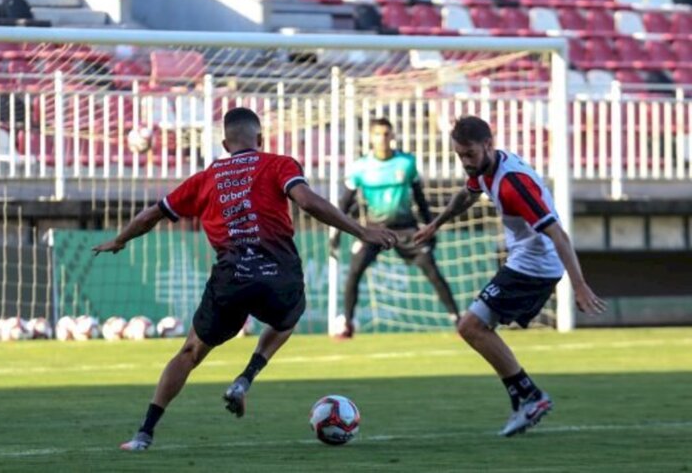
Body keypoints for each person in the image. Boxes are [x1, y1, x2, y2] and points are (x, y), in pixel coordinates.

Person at [93, 107, 397, 451]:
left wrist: (120, 240)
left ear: (225, 143)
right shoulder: (279, 163)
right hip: (277, 275)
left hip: (231, 279)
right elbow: (308, 202)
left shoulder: (205, 179)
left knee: (190, 352)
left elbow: (150, 215)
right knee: (288, 316)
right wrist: (361, 229)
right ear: (261, 139)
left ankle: (143, 434)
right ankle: (246, 378)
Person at [413, 116, 606, 437]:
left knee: (471, 326)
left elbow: (558, 234)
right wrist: (436, 223)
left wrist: (580, 285)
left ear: (489, 145)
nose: (465, 162)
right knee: (473, 327)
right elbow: (468, 194)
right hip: (523, 257)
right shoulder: (485, 169)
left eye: (470, 154)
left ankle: (530, 396)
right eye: (460, 155)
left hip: (537, 263)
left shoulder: (513, 184)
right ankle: (527, 396)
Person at [330, 118, 460, 338]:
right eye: (378, 134)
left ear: (393, 136)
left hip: (406, 229)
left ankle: (458, 319)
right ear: (370, 137)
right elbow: (344, 203)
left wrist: (430, 227)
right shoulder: (360, 167)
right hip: (374, 230)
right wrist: (336, 233)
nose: (383, 138)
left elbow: (420, 197)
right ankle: (347, 323)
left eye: (387, 134)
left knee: (432, 271)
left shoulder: (406, 162)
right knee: (353, 272)